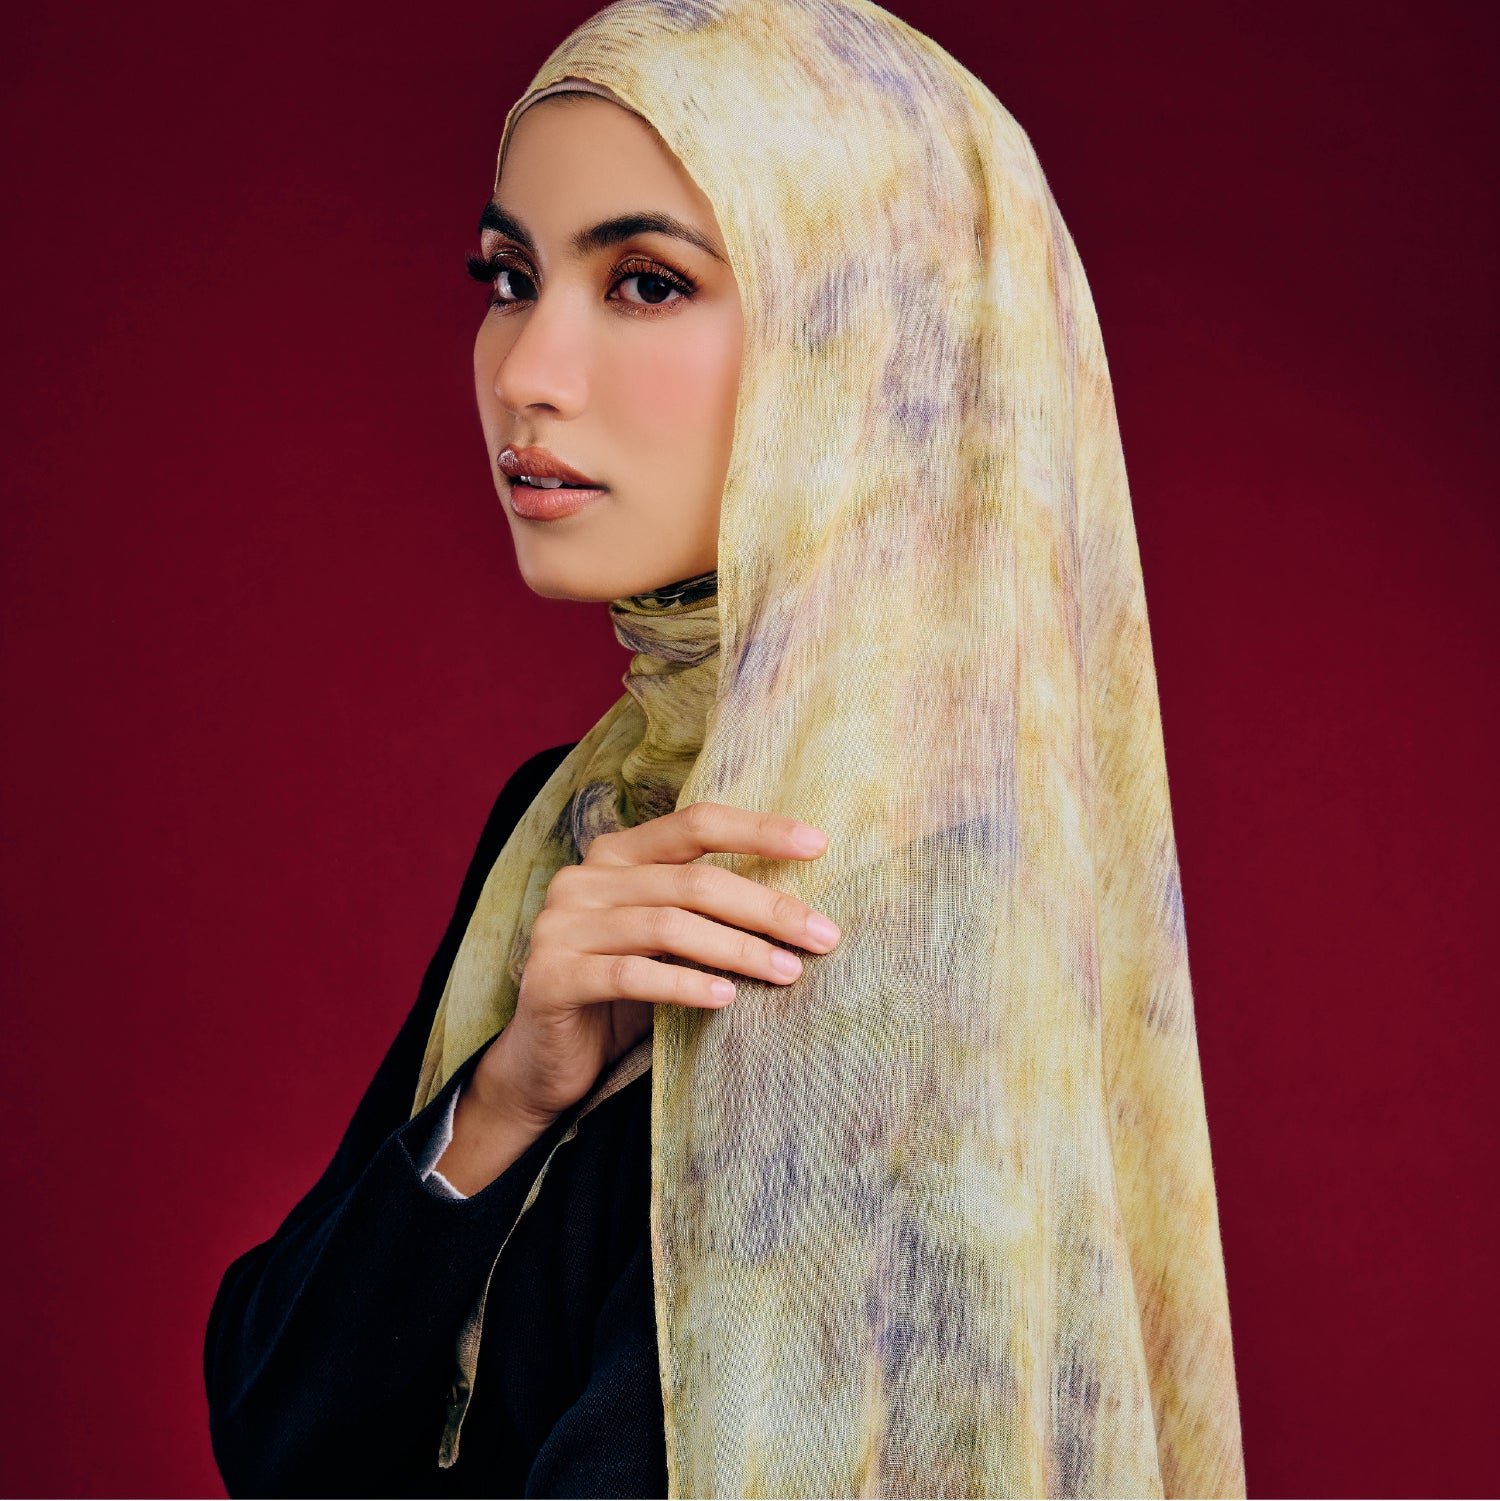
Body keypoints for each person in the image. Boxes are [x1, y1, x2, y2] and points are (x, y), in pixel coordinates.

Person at [205, 2, 1248, 1497]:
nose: (527, 370)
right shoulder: (581, 821)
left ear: (869, 338)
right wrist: (505, 1100)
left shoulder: (899, 916)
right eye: (510, 277)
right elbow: (276, 1431)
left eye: (645, 281)